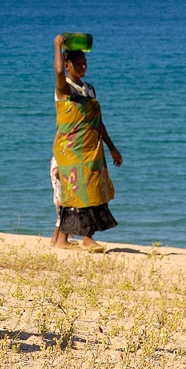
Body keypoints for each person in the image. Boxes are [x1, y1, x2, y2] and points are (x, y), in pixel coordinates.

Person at [51, 34, 123, 252]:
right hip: (70, 152)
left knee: (91, 191)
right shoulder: (64, 90)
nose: (83, 66)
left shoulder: (89, 89)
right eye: (78, 63)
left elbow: (97, 123)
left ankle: (83, 239)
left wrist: (112, 148)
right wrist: (57, 47)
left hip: (91, 151)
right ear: (67, 65)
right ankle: (69, 240)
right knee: (74, 193)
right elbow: (58, 72)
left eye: (85, 62)